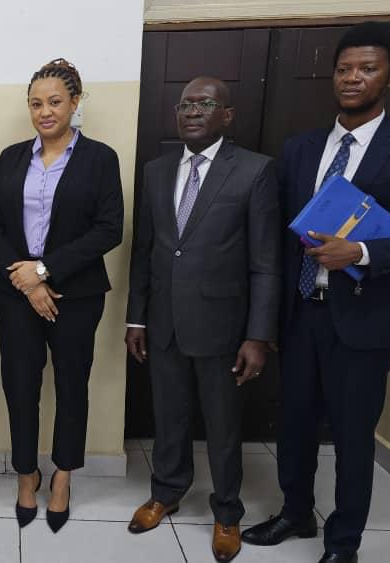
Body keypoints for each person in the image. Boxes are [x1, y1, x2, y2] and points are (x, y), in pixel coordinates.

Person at [241, 22, 390, 563]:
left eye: (367, 69)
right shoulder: (302, 148)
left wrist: (359, 253)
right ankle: (295, 513)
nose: (352, 78)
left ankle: (343, 542)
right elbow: (280, 234)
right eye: (343, 69)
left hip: (364, 321)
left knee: (354, 437)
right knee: (294, 426)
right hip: (302, 314)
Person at [124, 77, 281, 561]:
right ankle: (166, 492)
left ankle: (227, 511)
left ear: (227, 115)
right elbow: (146, 250)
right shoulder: (156, 171)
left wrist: (258, 335)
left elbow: (266, 262)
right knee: (169, 416)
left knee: (223, 426)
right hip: (164, 321)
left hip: (223, 327)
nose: (192, 111)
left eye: (205, 103)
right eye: (185, 104)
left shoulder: (254, 170)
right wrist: (136, 319)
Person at [0, 59, 123, 533]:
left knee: (71, 386)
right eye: (36, 103)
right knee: (20, 387)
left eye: (55, 102)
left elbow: (109, 229)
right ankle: (27, 474)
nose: (45, 112)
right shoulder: (11, 157)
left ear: (75, 102)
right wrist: (26, 279)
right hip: (16, 293)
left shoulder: (100, 158)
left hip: (77, 296)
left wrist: (45, 270)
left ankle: (62, 476)